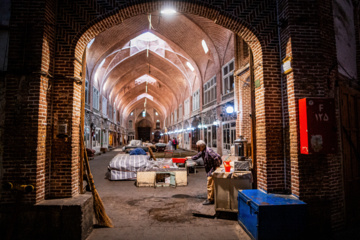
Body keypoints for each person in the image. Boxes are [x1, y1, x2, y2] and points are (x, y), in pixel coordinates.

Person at [186, 140, 222, 205]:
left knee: (209, 184)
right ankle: (211, 197)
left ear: (202, 146)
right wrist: (189, 158)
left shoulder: (209, 151)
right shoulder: (203, 151)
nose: (197, 148)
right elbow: (197, 156)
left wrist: (217, 167)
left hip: (212, 170)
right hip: (209, 170)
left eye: (198, 147)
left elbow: (217, 157)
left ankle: (210, 199)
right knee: (211, 184)